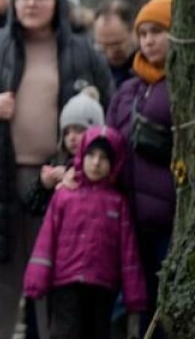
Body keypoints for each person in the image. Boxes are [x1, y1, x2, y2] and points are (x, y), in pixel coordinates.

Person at [0, 0, 113, 339]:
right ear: (13, 1)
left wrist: (81, 165)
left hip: (63, 184)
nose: (31, 4)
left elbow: (110, 115)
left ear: (57, 3)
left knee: (57, 284)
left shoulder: (83, 52)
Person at [23, 126, 146, 339]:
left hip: (102, 287)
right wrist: (37, 277)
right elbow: (47, 240)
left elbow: (128, 254)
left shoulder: (118, 203)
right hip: (66, 284)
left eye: (104, 157)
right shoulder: (64, 196)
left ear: (114, 163)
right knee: (65, 333)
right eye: (91, 155)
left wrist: (134, 294)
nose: (96, 163)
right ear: (81, 156)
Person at [105, 0, 175, 339]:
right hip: (128, 218)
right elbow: (109, 142)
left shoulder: (181, 86)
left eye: (158, 31)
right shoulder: (128, 88)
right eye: (143, 32)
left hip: (169, 220)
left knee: (167, 307)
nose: (148, 40)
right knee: (133, 304)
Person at [20, 87, 104, 216]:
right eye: (66, 132)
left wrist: (74, 177)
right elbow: (31, 207)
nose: (72, 137)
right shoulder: (58, 161)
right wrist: (43, 185)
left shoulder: (102, 164)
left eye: (79, 130)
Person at [94, 0, 137, 88]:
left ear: (132, 31)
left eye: (116, 45)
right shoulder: (92, 69)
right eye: (103, 47)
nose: (110, 54)